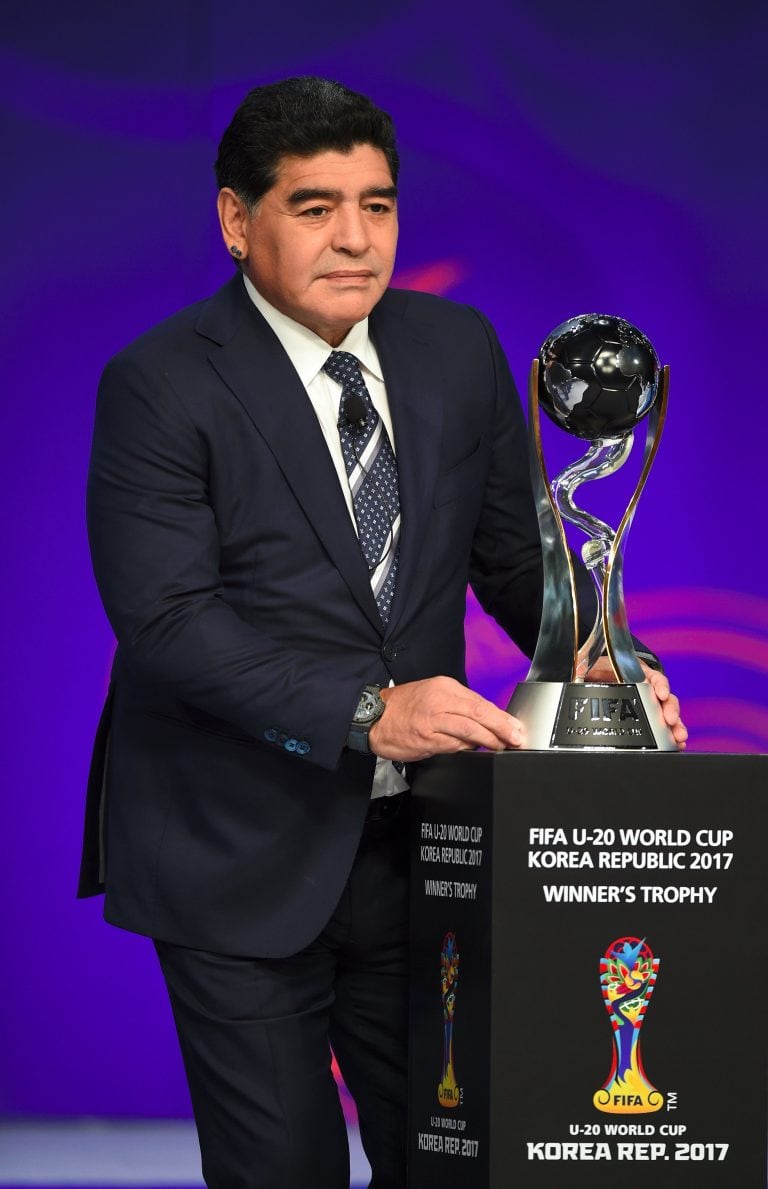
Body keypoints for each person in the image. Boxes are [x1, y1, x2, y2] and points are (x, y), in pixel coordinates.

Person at [79, 76, 686, 1189]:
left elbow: (515, 559)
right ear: (235, 220)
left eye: (380, 204)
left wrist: (599, 651)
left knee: (452, 1158)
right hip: (236, 847)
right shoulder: (161, 385)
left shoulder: (457, 349)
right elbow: (168, 621)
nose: (357, 238)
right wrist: (371, 711)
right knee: (284, 1171)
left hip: (431, 853)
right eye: (315, 207)